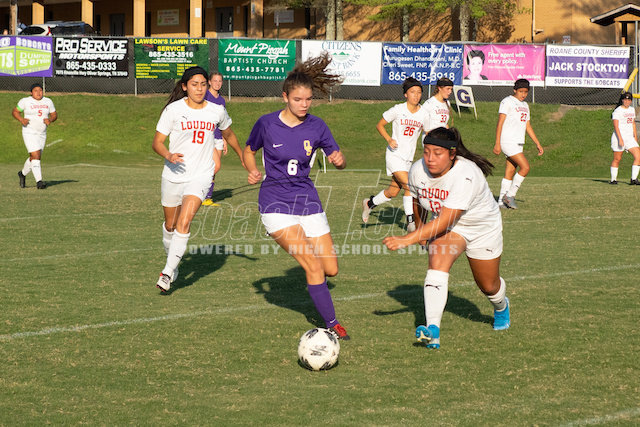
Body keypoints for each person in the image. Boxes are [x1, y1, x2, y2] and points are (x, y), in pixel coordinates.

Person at [243, 53, 350, 340]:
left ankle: (315, 287)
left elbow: (338, 158)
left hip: (307, 200)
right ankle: (333, 325)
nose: (304, 104)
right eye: (298, 99)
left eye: (308, 99)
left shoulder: (317, 126)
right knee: (313, 265)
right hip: (275, 202)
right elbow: (248, 150)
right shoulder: (266, 124)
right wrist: (252, 170)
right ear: (285, 97)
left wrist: (339, 161)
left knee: (330, 269)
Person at [383, 127, 510, 349]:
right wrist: (420, 229)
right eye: (426, 152)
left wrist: (408, 238)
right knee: (437, 264)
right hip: (451, 228)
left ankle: (501, 307)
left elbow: (444, 220)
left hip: (482, 229)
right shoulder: (417, 170)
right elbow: (417, 200)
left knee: (488, 285)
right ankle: (433, 331)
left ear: (452, 154)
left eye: (437, 153)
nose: (430, 159)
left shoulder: (466, 175)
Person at [152, 66, 241, 292]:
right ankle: (173, 262)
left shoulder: (216, 110)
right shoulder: (173, 110)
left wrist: (243, 155)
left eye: (203, 84)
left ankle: (167, 272)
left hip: (201, 175)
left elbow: (229, 134)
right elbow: (157, 142)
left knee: (184, 223)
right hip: (174, 174)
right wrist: (168, 155)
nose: (199, 89)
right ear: (185, 87)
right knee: (170, 226)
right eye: (194, 84)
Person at [362, 77, 426, 232]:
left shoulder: (424, 113)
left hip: (408, 159)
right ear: (406, 94)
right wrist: (389, 139)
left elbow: (427, 132)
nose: (416, 95)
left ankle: (369, 203)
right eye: (412, 92)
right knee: (409, 186)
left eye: (419, 92)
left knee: (393, 192)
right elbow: (380, 125)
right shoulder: (398, 109)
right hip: (394, 155)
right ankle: (410, 222)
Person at [493, 78, 544, 209]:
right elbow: (500, 123)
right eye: (521, 91)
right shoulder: (507, 101)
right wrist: (497, 143)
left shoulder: (525, 105)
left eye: (526, 92)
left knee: (510, 170)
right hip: (508, 141)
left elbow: (528, 125)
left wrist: (537, 143)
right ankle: (510, 195)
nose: (523, 94)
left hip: (518, 141)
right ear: (514, 90)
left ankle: (501, 202)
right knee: (525, 167)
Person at [202, 71, 244, 206]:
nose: (217, 83)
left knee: (214, 169)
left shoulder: (221, 100)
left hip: (218, 137)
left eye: (220, 81)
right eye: (215, 81)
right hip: (206, 136)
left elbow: (223, 123)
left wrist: (225, 140)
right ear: (209, 82)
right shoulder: (204, 96)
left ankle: (207, 198)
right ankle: (196, 191)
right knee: (212, 166)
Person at [13, 82, 57, 189]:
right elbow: (15, 111)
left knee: (34, 157)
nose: (38, 93)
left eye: (40, 90)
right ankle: (39, 182)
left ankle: (22, 174)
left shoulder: (48, 101)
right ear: (31, 92)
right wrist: (21, 119)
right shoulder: (25, 101)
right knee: (36, 155)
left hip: (42, 133)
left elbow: (54, 114)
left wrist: (50, 119)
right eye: (36, 91)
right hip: (29, 132)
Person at [609, 91, 640, 185]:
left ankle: (633, 179)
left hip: (629, 138)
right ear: (622, 100)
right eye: (625, 100)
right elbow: (616, 126)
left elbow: (633, 123)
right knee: (617, 159)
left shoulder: (631, 109)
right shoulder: (618, 111)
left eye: (629, 100)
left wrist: (635, 137)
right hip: (619, 137)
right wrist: (620, 139)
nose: (627, 101)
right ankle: (613, 179)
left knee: (638, 156)